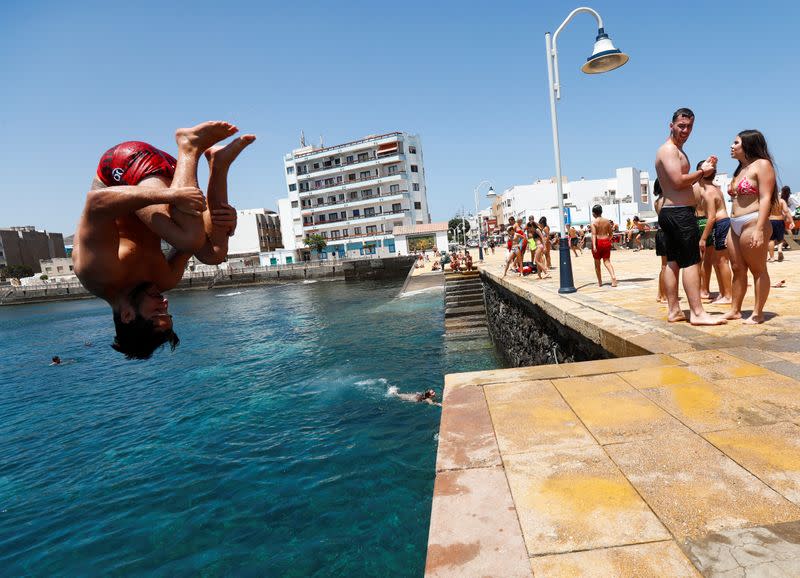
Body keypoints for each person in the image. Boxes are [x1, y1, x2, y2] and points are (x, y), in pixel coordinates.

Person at [73, 121, 255, 359]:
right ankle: (218, 164)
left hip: (120, 169)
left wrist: (170, 195)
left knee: (187, 238)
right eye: (168, 313)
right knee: (214, 254)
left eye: (158, 312)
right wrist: (226, 223)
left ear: (127, 316)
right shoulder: (164, 279)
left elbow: (96, 203)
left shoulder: (96, 273)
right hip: (169, 176)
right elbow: (202, 235)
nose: (165, 303)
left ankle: (189, 146)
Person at [654, 107, 725, 325]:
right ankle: (697, 312)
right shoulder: (668, 150)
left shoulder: (676, 150)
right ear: (671, 125)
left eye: (689, 126)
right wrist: (702, 172)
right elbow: (678, 181)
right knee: (692, 261)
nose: (685, 130)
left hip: (672, 212)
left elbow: (681, 180)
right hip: (678, 213)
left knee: (673, 262)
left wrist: (705, 169)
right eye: (681, 126)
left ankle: (674, 310)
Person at [723, 130, 776, 324]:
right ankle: (735, 310)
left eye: (736, 142)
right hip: (734, 224)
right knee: (737, 268)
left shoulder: (762, 165)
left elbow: (765, 198)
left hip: (753, 221)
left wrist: (760, 229)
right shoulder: (739, 170)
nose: (731, 146)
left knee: (758, 269)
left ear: (748, 144)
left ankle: (757, 312)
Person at [694, 162, 733, 304]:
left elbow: (711, 217)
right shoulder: (714, 189)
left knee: (722, 261)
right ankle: (723, 293)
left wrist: (703, 238)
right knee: (717, 262)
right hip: (721, 224)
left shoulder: (709, 192)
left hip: (720, 224)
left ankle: (728, 295)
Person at [590, 205, 618, 287]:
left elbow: (594, 235)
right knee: (607, 262)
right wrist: (608, 240)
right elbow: (611, 234)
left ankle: (600, 282)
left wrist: (594, 246)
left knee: (597, 263)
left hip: (598, 242)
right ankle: (613, 278)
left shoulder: (594, 223)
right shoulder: (607, 221)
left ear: (594, 213)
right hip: (606, 241)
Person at [767, 189, 792, 262]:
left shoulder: (768, 201)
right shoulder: (781, 201)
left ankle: (772, 257)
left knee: (770, 239)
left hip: (770, 220)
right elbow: (786, 211)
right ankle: (779, 250)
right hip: (780, 220)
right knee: (780, 238)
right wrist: (791, 221)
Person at [653, 180, 668, 302]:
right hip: (666, 233)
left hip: (660, 232)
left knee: (663, 266)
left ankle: (660, 293)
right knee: (666, 266)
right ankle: (663, 295)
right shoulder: (665, 200)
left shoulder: (656, 201)